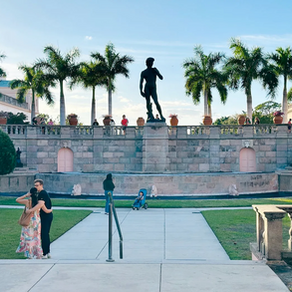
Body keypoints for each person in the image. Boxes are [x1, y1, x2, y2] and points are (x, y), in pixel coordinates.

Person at [15, 188, 52, 259]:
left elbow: (17, 200)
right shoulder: (39, 203)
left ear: (30, 194)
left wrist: (26, 195)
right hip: (37, 222)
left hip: (29, 222)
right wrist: (51, 210)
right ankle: (38, 253)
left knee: (28, 237)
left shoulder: (27, 202)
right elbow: (47, 211)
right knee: (36, 237)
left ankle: (29, 255)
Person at [140, 57, 165, 122]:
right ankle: (150, 115)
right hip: (147, 87)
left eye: (152, 62)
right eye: (150, 62)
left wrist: (157, 72)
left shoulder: (154, 70)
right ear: (147, 63)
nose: (151, 64)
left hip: (153, 87)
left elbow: (161, 77)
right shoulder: (144, 72)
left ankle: (161, 115)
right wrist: (141, 91)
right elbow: (141, 82)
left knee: (156, 101)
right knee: (148, 102)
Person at [34, 179, 53, 259]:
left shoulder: (42, 194)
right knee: (46, 234)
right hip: (47, 216)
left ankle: (45, 253)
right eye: (35, 185)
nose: (36, 187)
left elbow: (43, 206)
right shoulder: (42, 193)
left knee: (44, 234)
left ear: (41, 185)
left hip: (46, 216)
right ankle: (47, 252)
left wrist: (49, 210)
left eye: (37, 185)